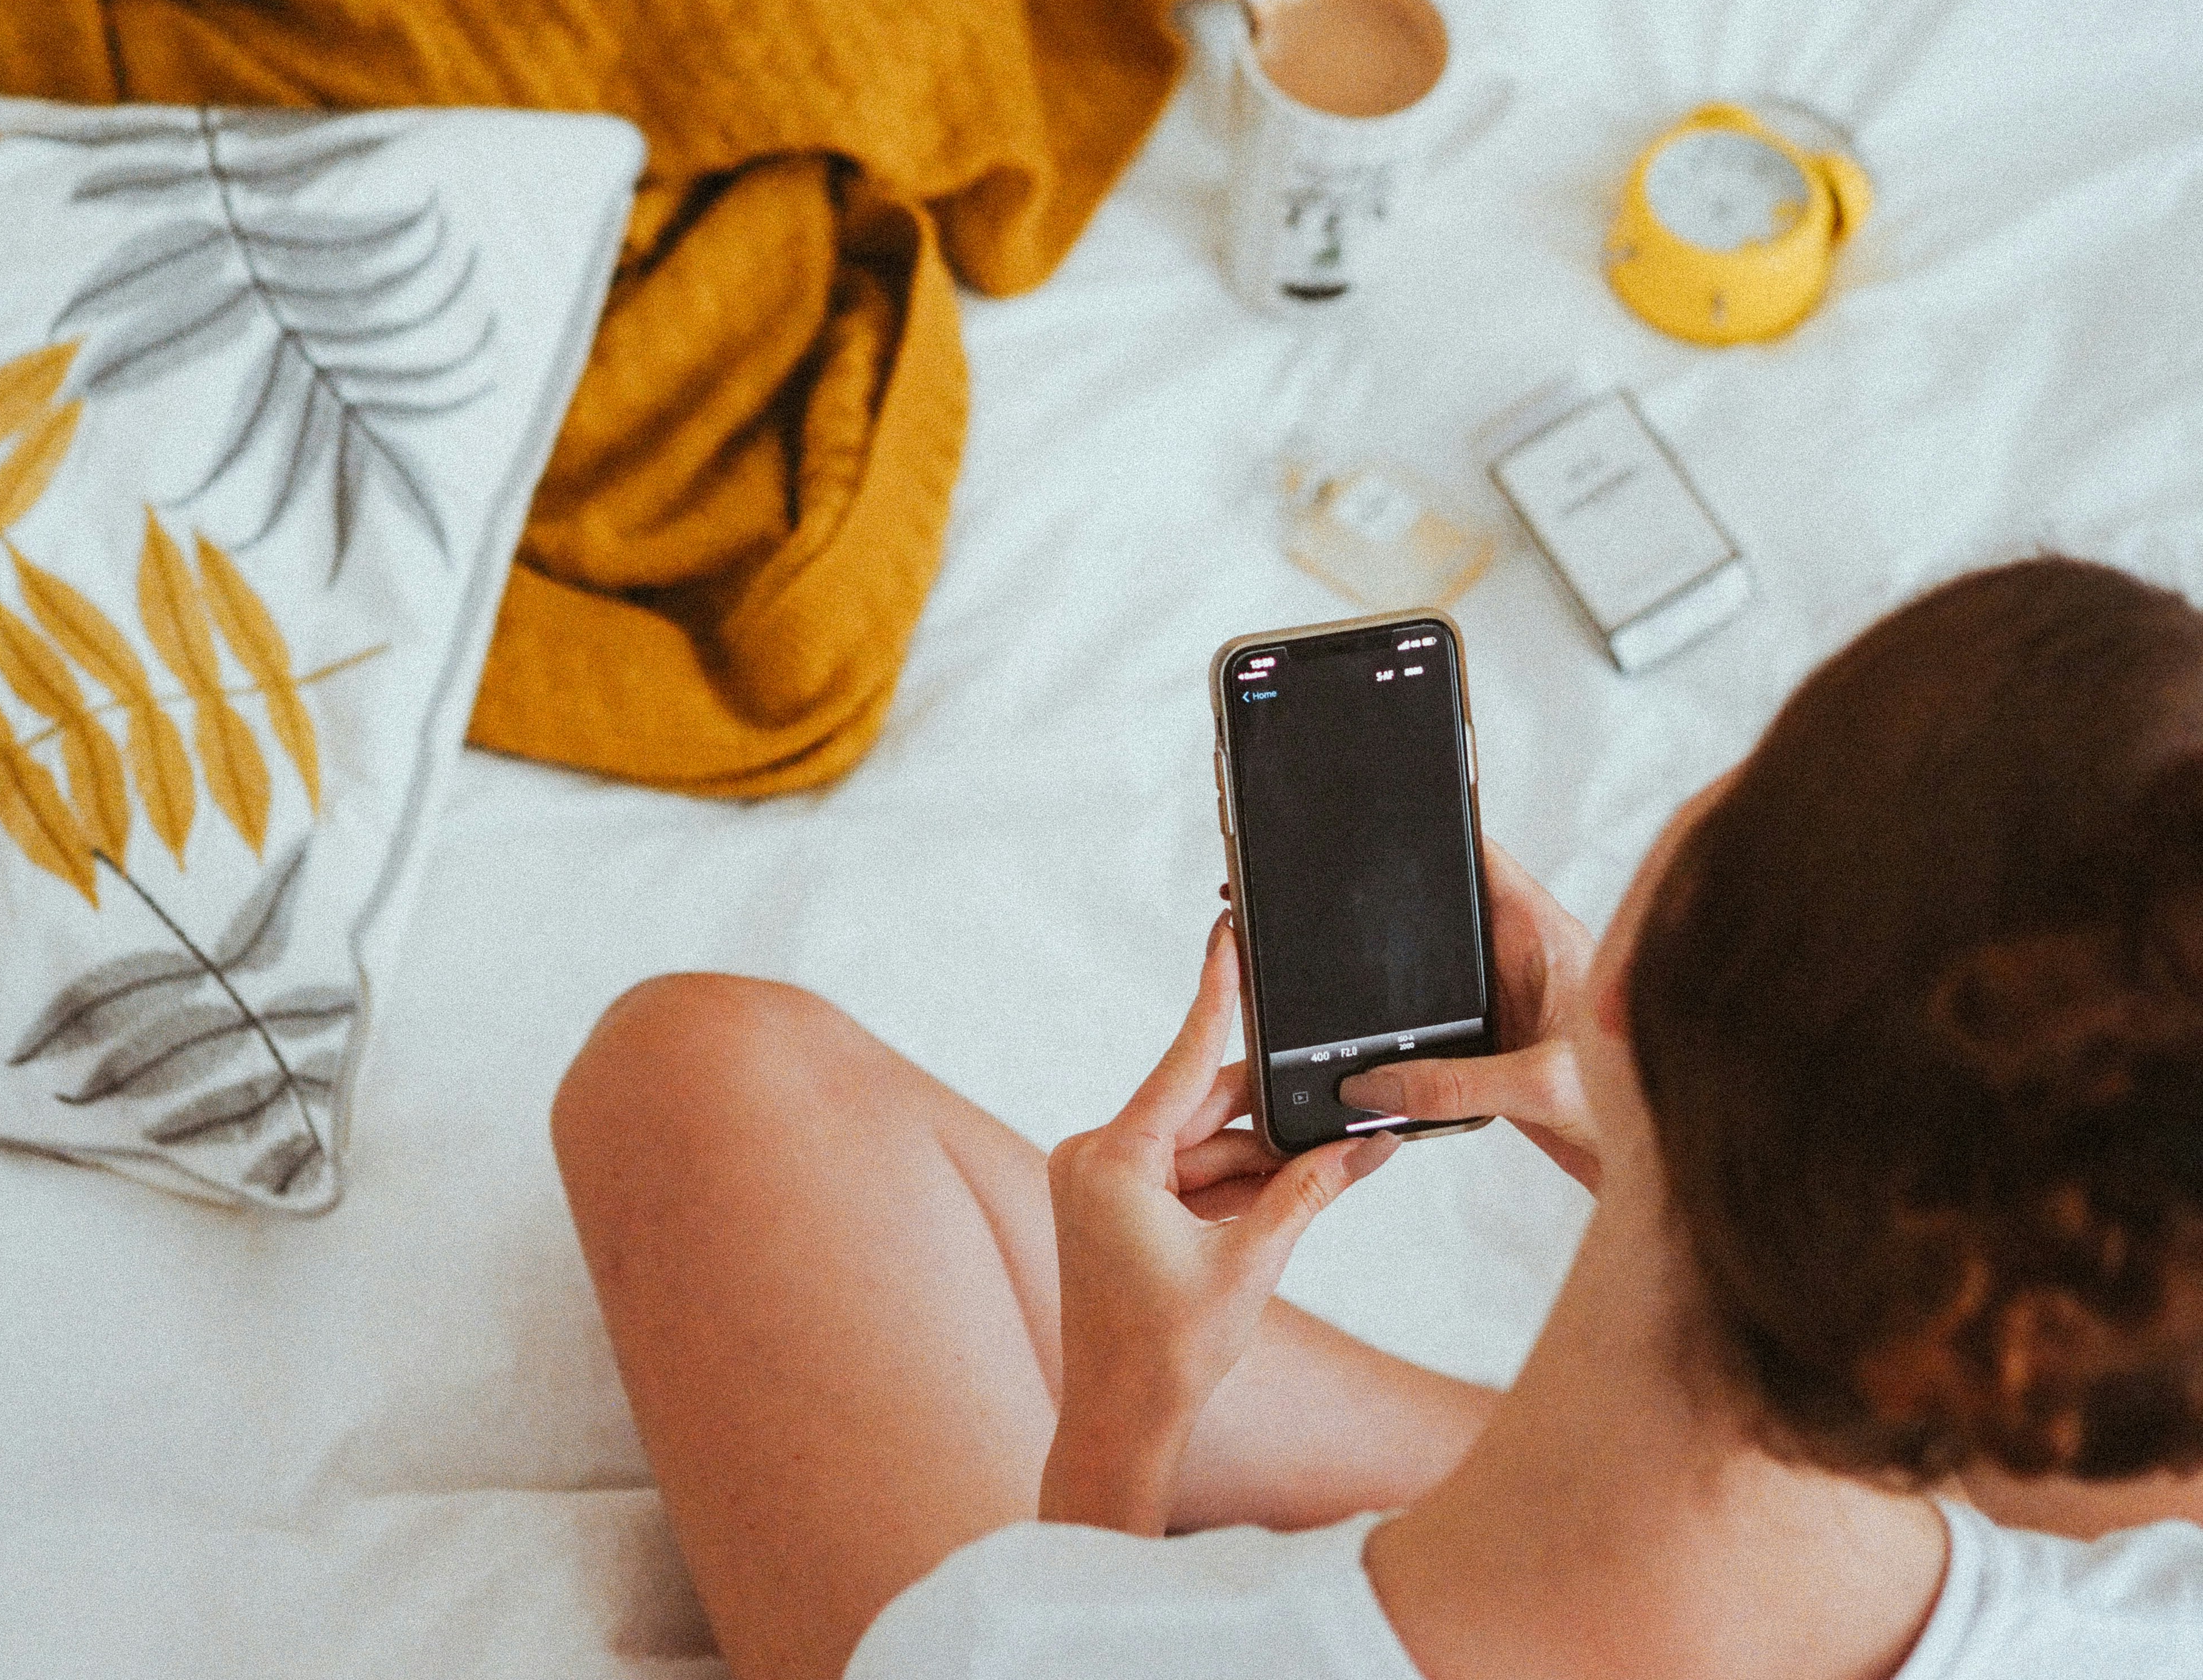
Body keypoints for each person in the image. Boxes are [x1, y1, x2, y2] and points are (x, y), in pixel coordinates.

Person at [551, 558, 2203, 1680]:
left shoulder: (1033, 1646)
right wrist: (1691, 1141)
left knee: (697, 1078)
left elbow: (1048, 1643)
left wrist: (1128, 1430)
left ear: (1632, 961)